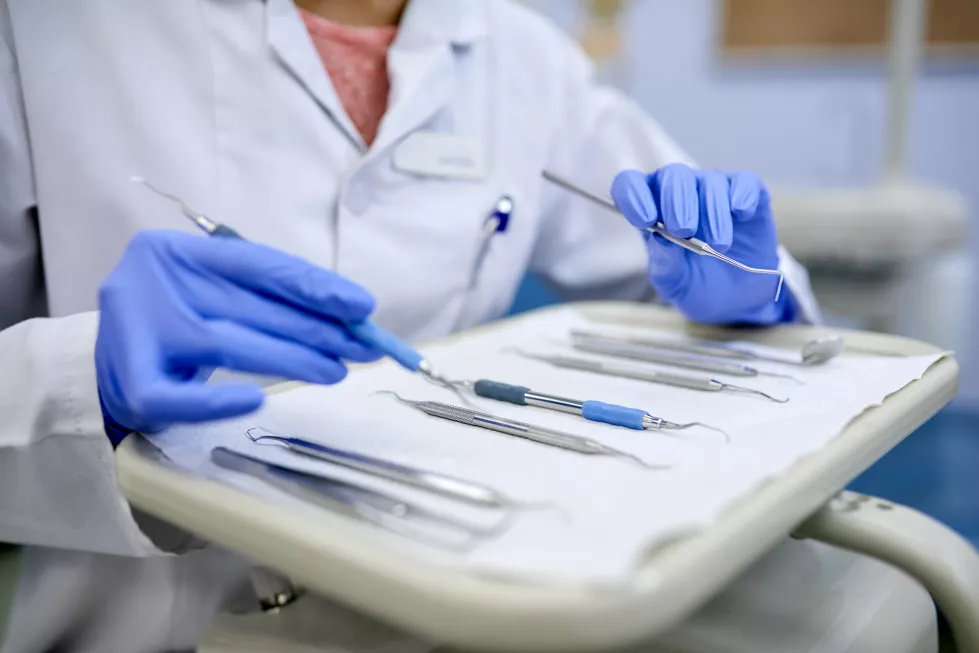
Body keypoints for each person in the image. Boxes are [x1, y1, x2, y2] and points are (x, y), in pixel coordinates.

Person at [0, 0, 819, 650]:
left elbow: (705, 281)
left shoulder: (521, 57)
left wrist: (748, 292)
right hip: (136, 628)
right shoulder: (48, 26)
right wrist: (82, 380)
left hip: (462, 614)